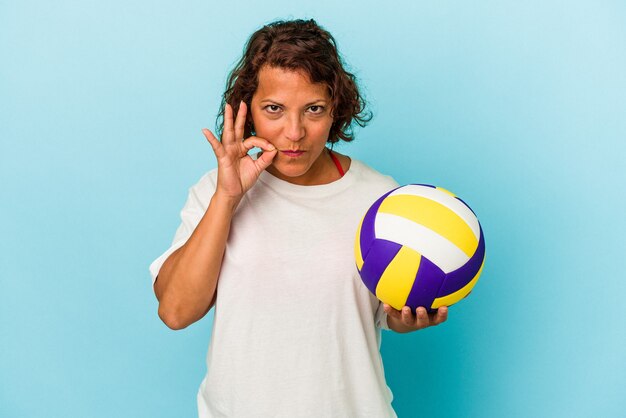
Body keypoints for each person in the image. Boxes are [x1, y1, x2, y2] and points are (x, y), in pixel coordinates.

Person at [149, 18, 448, 418]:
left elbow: (384, 314)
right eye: (274, 109)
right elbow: (175, 311)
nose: (294, 132)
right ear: (248, 111)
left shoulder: (379, 199)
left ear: (334, 109)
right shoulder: (215, 190)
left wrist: (406, 318)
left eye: (313, 109)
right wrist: (227, 198)